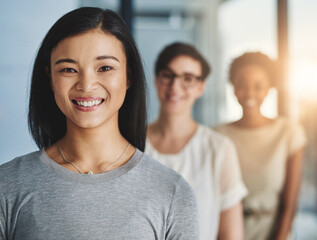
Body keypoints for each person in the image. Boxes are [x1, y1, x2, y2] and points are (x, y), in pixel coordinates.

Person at [0, 7, 199, 240]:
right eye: (68, 69)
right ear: (50, 79)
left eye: (105, 68)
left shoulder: (172, 192)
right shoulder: (8, 185)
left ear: (128, 76)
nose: (86, 85)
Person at [146, 42, 248, 240]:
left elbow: (231, 235)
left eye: (188, 78)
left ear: (201, 87)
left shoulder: (218, 149)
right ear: (157, 80)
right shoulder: (130, 145)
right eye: (168, 75)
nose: (175, 87)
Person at [215, 52, 307, 240]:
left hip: (273, 232)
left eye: (258, 86)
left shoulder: (288, 133)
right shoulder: (217, 136)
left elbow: (290, 204)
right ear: (233, 88)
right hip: (225, 232)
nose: (249, 93)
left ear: (268, 88)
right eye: (241, 85)